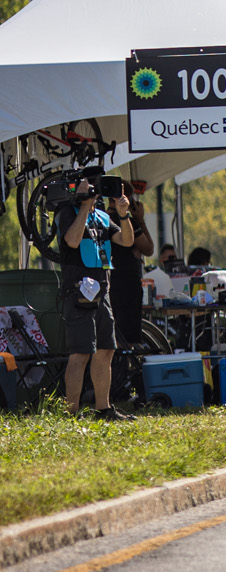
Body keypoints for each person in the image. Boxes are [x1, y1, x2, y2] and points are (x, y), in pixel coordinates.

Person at [57, 176, 134, 420]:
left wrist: (123, 213)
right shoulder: (68, 213)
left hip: (102, 292)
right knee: (80, 353)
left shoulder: (102, 216)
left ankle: (104, 408)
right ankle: (71, 412)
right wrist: (82, 205)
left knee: (105, 350)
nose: (94, 193)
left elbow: (126, 240)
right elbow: (72, 240)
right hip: (78, 292)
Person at [107, 178, 153, 346]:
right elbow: (148, 248)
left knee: (109, 334)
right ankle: (127, 367)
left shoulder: (101, 219)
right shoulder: (129, 222)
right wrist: (139, 219)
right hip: (127, 284)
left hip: (107, 281)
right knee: (129, 338)